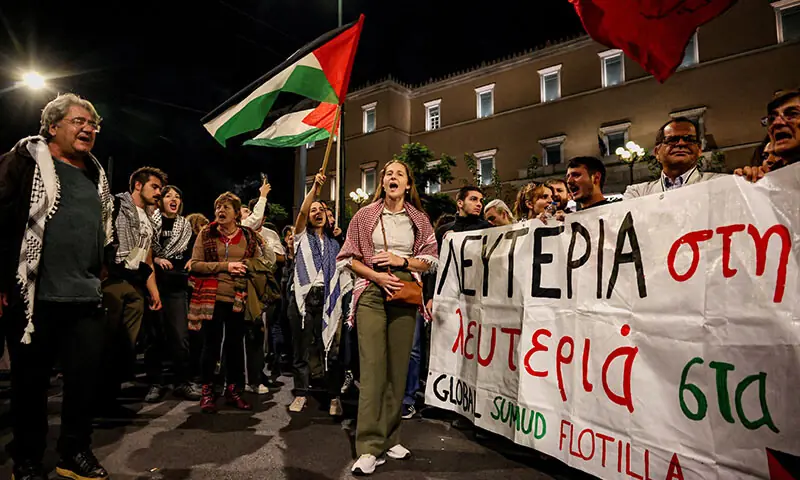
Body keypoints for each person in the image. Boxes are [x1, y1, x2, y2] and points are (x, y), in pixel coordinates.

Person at [0, 93, 113, 480]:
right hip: (34, 298)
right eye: (79, 121)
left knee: (84, 383)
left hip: (85, 297)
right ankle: (27, 459)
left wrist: (103, 268)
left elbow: (104, 231)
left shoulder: (96, 174)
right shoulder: (23, 162)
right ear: (52, 126)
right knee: (30, 385)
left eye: (93, 124)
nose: (88, 129)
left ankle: (74, 452)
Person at [337, 159, 438, 476]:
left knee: (397, 369)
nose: (393, 177)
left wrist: (401, 260)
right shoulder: (365, 215)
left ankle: (391, 437)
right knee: (372, 369)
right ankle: (368, 447)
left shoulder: (418, 219)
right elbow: (348, 258)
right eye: (388, 173)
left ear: (408, 184)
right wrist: (377, 276)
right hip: (371, 290)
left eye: (399, 174)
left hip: (405, 292)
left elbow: (430, 260)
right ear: (382, 182)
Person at [189, 192, 266, 413]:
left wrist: (248, 266)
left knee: (235, 346)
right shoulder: (206, 233)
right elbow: (195, 264)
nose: (220, 211)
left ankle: (234, 391)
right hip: (211, 298)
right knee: (211, 345)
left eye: (226, 207)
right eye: (218, 207)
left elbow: (259, 262)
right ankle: (207, 391)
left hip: (238, 298)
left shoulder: (248, 236)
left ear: (236, 213)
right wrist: (226, 266)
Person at [288, 173, 352, 416]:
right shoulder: (301, 236)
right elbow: (302, 213)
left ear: (327, 216)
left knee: (332, 351)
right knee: (302, 351)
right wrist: (314, 189)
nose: (316, 213)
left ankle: (334, 396)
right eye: (313, 210)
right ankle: (301, 393)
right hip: (303, 300)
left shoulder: (335, 244)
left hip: (328, 298)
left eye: (321, 210)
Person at [102, 166, 166, 408]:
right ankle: (98, 400)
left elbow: (147, 256)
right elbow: (101, 236)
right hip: (114, 279)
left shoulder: (148, 219)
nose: (159, 192)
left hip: (136, 284)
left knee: (125, 346)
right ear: (138, 185)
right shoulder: (116, 204)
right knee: (107, 342)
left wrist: (153, 291)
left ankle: (110, 398)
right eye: (154, 186)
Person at [144, 185, 201, 403]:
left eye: (177, 196)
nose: (173, 199)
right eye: (168, 196)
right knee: (154, 337)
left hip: (177, 286)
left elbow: (193, 252)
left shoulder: (185, 226)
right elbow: (144, 250)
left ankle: (182, 382)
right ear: (160, 201)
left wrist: (192, 260)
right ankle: (156, 383)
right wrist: (157, 259)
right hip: (154, 284)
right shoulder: (149, 223)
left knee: (180, 337)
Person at [624, 117, 726, 198]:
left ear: (699, 150)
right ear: (657, 152)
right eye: (672, 140)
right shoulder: (637, 193)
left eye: (689, 139)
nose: (681, 143)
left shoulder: (722, 183)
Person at [735, 88, 800, 182]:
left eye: (793, 114)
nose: (776, 122)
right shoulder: (770, 181)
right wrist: (749, 185)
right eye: (772, 118)